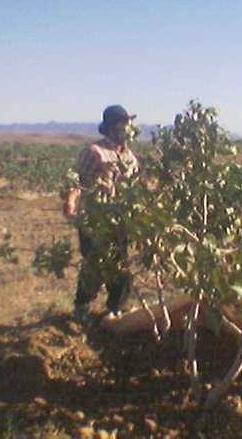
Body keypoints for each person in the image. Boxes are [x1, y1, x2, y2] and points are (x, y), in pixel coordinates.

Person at [63, 105, 139, 322]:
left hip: (120, 220)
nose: (128, 128)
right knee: (93, 264)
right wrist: (70, 201)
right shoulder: (94, 152)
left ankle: (115, 309)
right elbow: (76, 179)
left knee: (120, 264)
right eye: (123, 123)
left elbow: (136, 186)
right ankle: (81, 308)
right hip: (94, 220)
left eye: (129, 124)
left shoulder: (130, 157)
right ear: (111, 127)